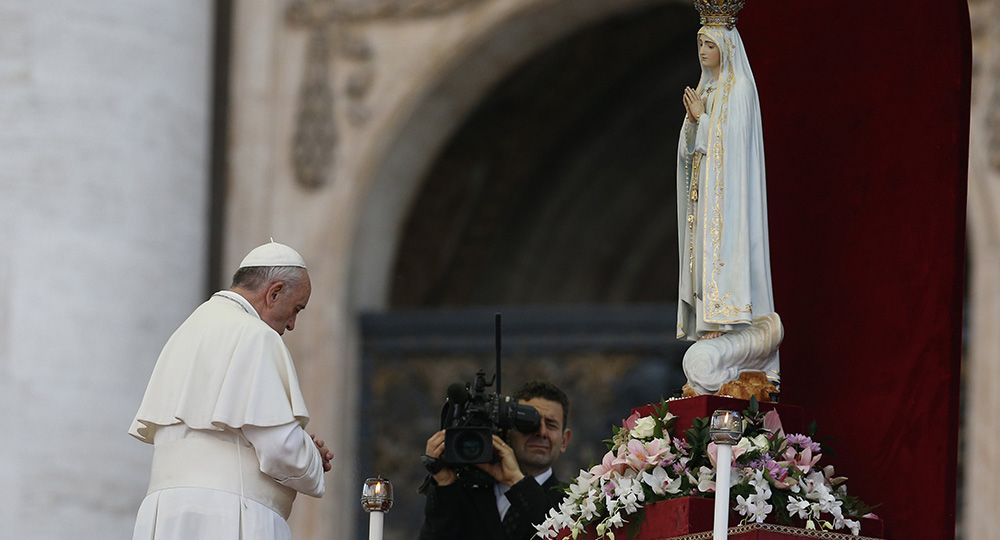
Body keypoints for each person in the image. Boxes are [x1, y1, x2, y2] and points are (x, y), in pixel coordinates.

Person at [129, 241, 334, 540]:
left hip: (164, 517)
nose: (291, 324)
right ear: (273, 293)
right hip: (229, 516)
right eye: (295, 309)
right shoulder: (255, 336)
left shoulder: (185, 332)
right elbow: (280, 448)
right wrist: (311, 454)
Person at [676, 2, 783, 394]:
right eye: (700, 44)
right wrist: (693, 125)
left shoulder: (738, 89)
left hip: (730, 205)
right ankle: (713, 326)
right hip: (706, 204)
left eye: (709, 44)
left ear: (726, 45)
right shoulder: (707, 88)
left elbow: (733, 148)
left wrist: (703, 120)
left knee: (725, 258)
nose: (703, 51)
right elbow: (691, 153)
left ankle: (735, 326)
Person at [419, 381, 572, 540]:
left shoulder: (574, 502)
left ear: (564, 440)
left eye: (551, 424)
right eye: (528, 423)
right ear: (506, 430)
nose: (541, 432)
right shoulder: (464, 495)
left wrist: (516, 481)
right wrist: (445, 484)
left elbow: (560, 532)